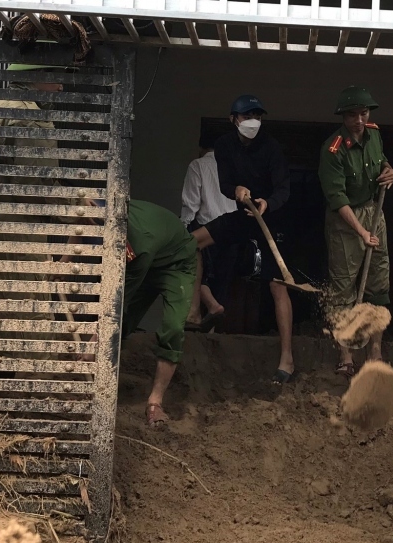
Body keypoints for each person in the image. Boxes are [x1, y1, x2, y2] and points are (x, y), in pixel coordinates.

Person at [190, 94, 296, 383]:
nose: (253, 122)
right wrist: (236, 189)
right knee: (190, 244)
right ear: (233, 119)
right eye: (247, 116)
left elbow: (284, 189)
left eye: (258, 117)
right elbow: (225, 184)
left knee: (278, 284)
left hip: (269, 220)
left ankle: (287, 357)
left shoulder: (271, 147)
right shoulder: (224, 146)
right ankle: (194, 312)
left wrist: (267, 203)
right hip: (241, 215)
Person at [318, 86, 393, 378]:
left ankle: (374, 353)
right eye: (353, 115)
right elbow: (337, 199)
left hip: (374, 211)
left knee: (378, 283)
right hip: (346, 220)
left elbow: (382, 163)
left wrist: (390, 171)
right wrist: (362, 232)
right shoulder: (333, 149)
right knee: (343, 288)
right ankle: (346, 354)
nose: (360, 120)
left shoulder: (374, 134)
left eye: (364, 113)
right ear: (343, 116)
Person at [123, 200, 198, 427]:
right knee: (124, 321)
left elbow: (112, 307)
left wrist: (95, 336)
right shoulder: (94, 205)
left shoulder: (140, 246)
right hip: (148, 254)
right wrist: (61, 264)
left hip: (176, 262)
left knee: (173, 327)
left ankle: (155, 403)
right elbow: (80, 225)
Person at [181, 136, 236, 330]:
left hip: (207, 228)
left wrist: (184, 231)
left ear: (201, 147)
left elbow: (191, 204)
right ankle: (212, 332)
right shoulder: (234, 166)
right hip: (232, 230)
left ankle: (206, 311)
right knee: (222, 283)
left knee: (195, 273)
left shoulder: (198, 165)